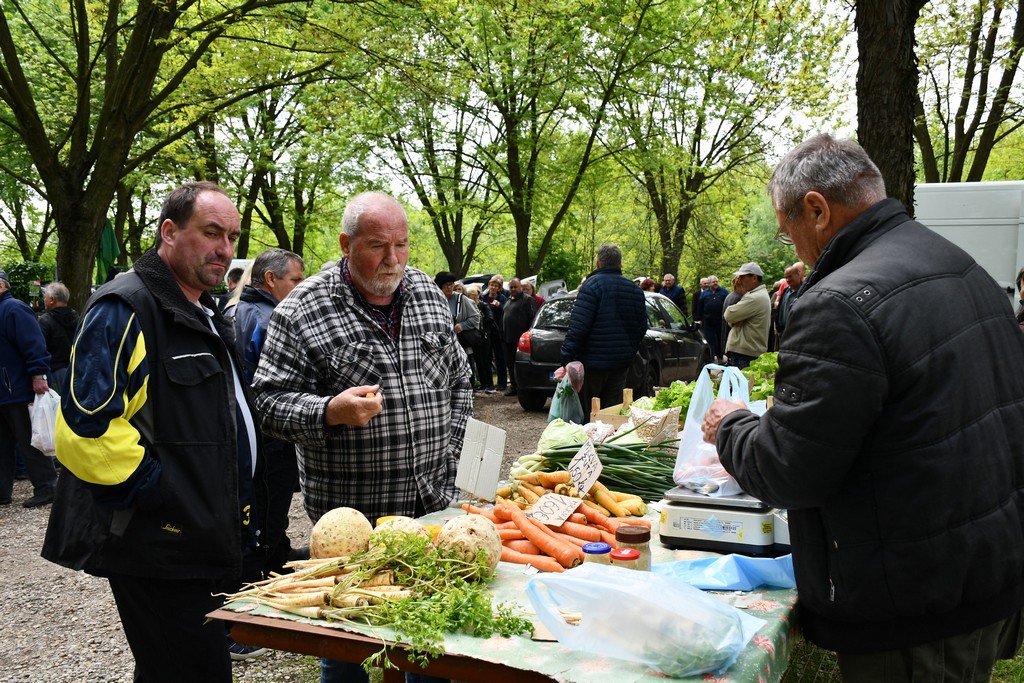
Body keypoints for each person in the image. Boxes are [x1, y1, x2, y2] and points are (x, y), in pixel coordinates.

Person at [701, 134, 1024, 681]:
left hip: (914, 600)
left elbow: (789, 470)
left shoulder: (838, 303)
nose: (796, 251)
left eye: (790, 234)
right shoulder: (956, 262)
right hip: (980, 568)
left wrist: (731, 425)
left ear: (817, 209)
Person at [42, 181, 267, 680]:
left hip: (200, 540)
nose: (224, 250)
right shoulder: (124, 308)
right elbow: (84, 428)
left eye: (231, 236)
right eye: (211, 233)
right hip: (159, 547)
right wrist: (162, 494)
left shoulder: (201, 308)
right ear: (169, 231)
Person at [251, 191, 470, 683]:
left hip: (430, 508)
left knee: (431, 643)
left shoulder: (427, 294)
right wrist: (329, 411)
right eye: (377, 246)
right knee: (350, 647)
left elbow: (460, 378)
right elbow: (266, 401)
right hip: (354, 521)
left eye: (402, 244)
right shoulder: (303, 309)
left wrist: (451, 450)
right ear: (346, 243)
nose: (393, 260)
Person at [232, 248, 305, 578]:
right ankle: (259, 575)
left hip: (248, 430)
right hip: (271, 434)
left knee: (264, 505)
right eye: (296, 280)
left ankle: (277, 555)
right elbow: (282, 386)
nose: (302, 287)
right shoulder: (273, 318)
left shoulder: (235, 309)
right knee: (271, 506)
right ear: (271, 279)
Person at [560, 244, 647, 413]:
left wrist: (566, 356)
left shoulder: (591, 286)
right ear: (620, 264)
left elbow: (579, 327)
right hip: (620, 365)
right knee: (611, 415)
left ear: (598, 263)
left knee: (587, 416)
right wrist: (628, 352)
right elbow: (642, 327)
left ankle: (588, 440)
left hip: (592, 365)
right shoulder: (634, 290)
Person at [0, 269, 57, 508]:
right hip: (6, 391)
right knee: (3, 445)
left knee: (30, 440)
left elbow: (34, 345)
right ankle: (3, 492)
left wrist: (38, 375)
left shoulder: (14, 309)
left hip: (18, 389)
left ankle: (47, 487)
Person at [722, 262, 770, 370]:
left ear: (754, 278)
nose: (740, 280)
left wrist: (735, 320)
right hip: (747, 352)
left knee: (741, 386)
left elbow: (728, 315)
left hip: (745, 354)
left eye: (742, 277)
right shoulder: (758, 295)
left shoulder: (754, 297)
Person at [36, 281, 80, 393]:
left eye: (45, 297)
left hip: (56, 373)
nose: (43, 300)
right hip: (78, 370)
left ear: (52, 300)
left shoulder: (45, 320)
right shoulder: (77, 318)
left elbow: (40, 347)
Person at [501, 277, 536, 397]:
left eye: (516, 287)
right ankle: (514, 386)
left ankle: (524, 388)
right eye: (511, 287)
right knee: (510, 364)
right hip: (507, 339)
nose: (513, 289)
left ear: (520, 287)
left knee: (521, 364)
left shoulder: (527, 300)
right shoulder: (508, 300)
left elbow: (532, 318)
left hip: (521, 339)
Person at [465, 284, 496, 393]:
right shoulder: (469, 307)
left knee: (486, 359)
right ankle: (483, 384)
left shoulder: (483, 305)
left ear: (475, 295)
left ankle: (490, 384)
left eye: (469, 295)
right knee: (478, 361)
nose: (468, 297)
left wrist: (479, 319)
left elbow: (490, 319)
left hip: (484, 335)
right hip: (475, 337)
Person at [481, 275, 508, 391]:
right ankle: (488, 383)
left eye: (496, 286)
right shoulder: (483, 297)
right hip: (487, 330)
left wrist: (499, 306)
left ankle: (502, 383)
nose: (493, 287)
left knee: (499, 356)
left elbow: (507, 309)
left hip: (498, 330)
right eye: (491, 285)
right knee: (487, 356)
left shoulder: (502, 298)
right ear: (488, 286)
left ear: (499, 288)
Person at [774, 261, 805, 345]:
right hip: (783, 333)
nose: (787, 279)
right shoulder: (785, 291)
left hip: (797, 334)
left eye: (790, 276)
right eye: (786, 277)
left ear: (798, 275)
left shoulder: (805, 292)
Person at [700, 275, 729, 362]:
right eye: (713, 282)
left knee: (721, 338)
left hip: (721, 320)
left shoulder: (724, 292)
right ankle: (712, 356)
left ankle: (720, 356)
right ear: (709, 284)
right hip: (708, 320)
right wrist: (700, 319)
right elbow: (700, 307)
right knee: (710, 339)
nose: (715, 283)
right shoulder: (704, 294)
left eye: (716, 281)